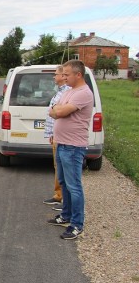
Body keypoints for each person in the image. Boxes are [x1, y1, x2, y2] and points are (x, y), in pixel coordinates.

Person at [47, 60, 93, 240]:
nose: (64, 77)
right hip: (61, 143)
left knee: (74, 186)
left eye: (67, 74)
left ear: (78, 75)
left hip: (73, 147)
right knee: (64, 182)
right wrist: (56, 109)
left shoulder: (83, 93)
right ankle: (65, 215)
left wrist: (57, 110)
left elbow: (59, 112)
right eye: (63, 74)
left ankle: (77, 224)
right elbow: (54, 109)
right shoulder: (70, 91)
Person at [42, 65, 71, 210]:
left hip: (63, 136)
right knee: (58, 167)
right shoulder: (60, 92)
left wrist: (53, 111)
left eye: (56, 74)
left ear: (63, 76)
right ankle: (58, 196)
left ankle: (64, 200)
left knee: (63, 168)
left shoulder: (67, 92)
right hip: (57, 135)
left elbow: (57, 112)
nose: (54, 77)